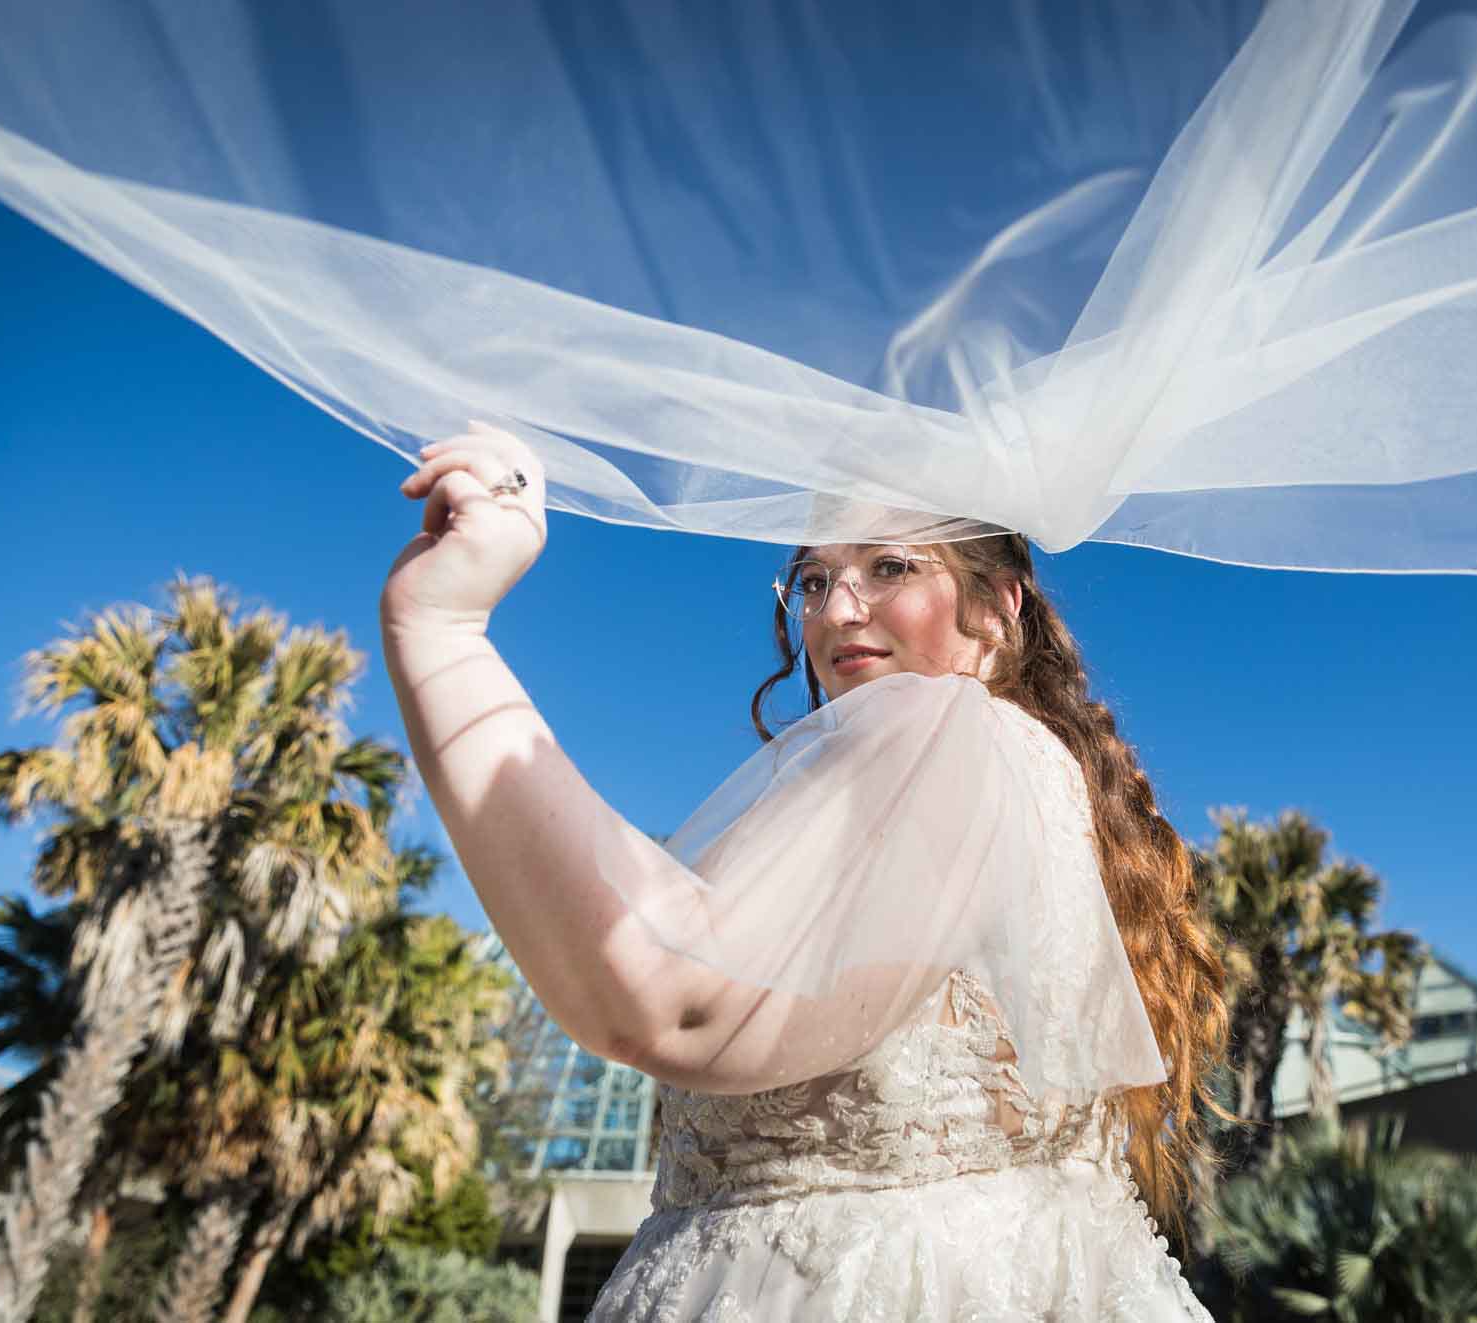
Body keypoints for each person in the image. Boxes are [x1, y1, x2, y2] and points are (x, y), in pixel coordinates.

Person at [382, 422, 1233, 1319]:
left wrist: (441, 630)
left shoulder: (960, 742)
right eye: (817, 579)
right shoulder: (1013, 771)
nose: (834, 612)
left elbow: (680, 1000)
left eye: (891, 568)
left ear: (1001, 607)